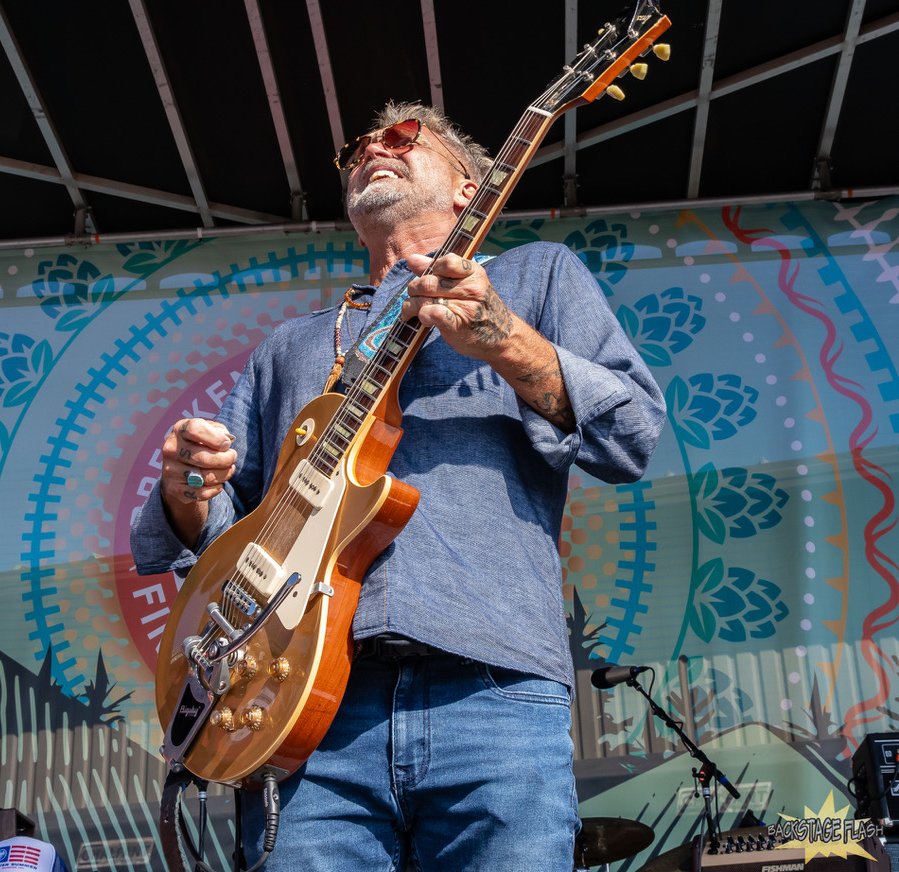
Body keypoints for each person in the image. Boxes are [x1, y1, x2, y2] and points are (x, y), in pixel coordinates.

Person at [131, 102, 666, 871]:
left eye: (407, 136)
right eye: (358, 145)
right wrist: (187, 488)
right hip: (303, 707)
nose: (374, 148)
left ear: (470, 187)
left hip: (491, 687)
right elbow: (226, 541)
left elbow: (630, 434)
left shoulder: (534, 276)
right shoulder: (290, 346)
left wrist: (504, 338)